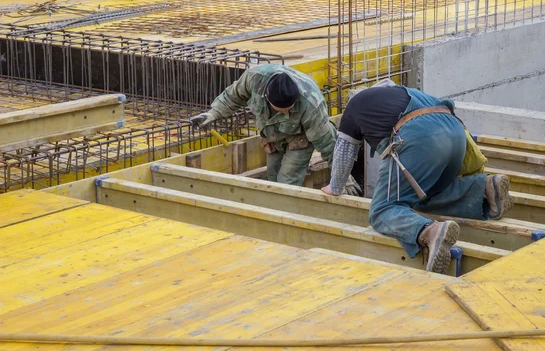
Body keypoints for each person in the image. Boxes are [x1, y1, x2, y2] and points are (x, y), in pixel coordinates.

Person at [321, 83, 514, 274]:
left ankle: (429, 231)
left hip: (419, 139)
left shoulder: (354, 107)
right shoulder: (398, 92)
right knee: (424, 196)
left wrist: (335, 187)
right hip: (456, 134)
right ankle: (484, 188)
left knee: (383, 210)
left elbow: (343, 153)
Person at [190, 64, 360, 194]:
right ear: (268, 98)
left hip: (300, 139)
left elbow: (328, 145)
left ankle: (286, 222)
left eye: (290, 108)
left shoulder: (311, 105)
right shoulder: (254, 78)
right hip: (272, 138)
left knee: (286, 183)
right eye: (282, 109)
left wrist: (343, 179)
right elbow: (233, 96)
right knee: (272, 179)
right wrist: (213, 114)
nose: (287, 112)